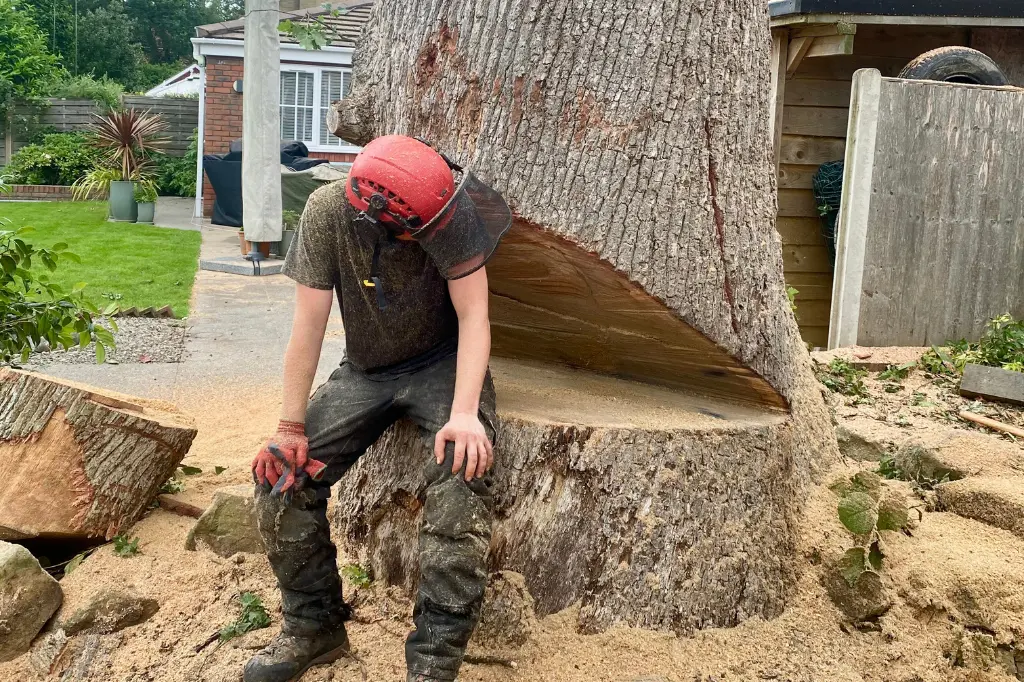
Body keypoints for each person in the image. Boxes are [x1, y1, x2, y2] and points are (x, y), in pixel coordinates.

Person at [244, 135, 511, 682]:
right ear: (375, 213)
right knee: (282, 481)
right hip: (366, 371)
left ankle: (434, 660)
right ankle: (313, 626)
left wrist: (464, 413)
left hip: (444, 364)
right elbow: (308, 325)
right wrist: (290, 425)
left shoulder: (445, 207)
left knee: (462, 477)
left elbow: (475, 316)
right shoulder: (326, 213)